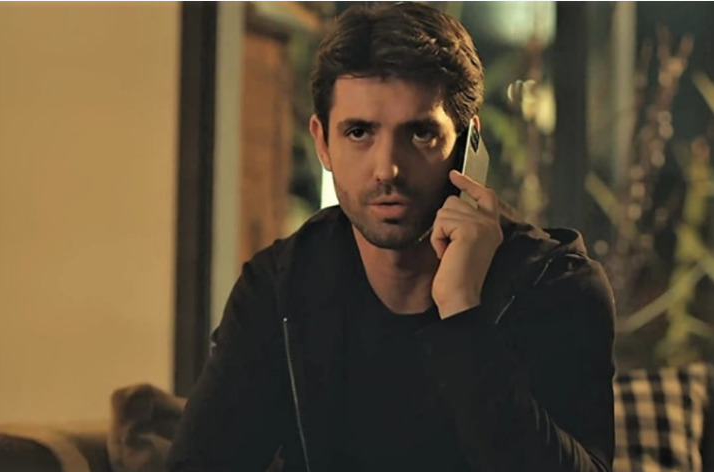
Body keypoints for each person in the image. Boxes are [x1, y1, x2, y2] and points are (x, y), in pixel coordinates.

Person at [167, 3, 616, 472]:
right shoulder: (281, 287)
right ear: (322, 142)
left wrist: (463, 315)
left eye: (420, 134)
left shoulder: (556, 284)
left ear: (468, 145)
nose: (388, 169)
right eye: (359, 132)